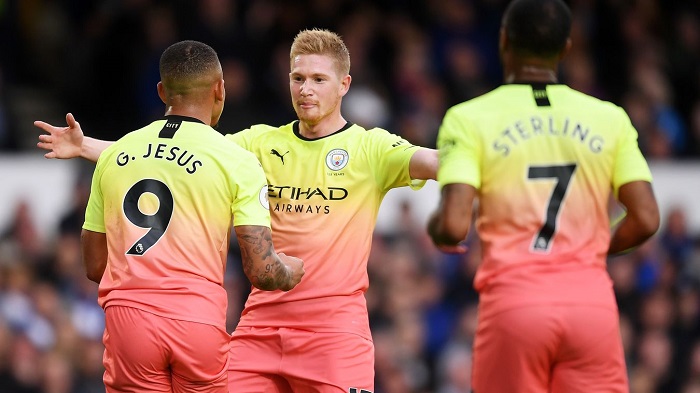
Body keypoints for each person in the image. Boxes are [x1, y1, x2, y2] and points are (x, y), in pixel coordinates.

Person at [36, 29, 437, 392]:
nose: (306, 90)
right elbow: (180, 153)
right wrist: (86, 146)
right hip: (259, 328)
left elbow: (438, 162)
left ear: (344, 84)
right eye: (298, 79)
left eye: (319, 79)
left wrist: (485, 156)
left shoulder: (373, 149)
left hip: (333, 332)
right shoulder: (258, 143)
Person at [39, 40, 305, 393]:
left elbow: (94, 266)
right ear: (220, 89)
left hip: (128, 321)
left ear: (163, 91)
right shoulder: (237, 161)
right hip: (197, 321)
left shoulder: (114, 155)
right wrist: (288, 272)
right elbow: (261, 270)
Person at [426, 0, 660, 392]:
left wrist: (438, 230)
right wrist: (592, 248)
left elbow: (453, 224)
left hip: (516, 305)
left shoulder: (469, 118)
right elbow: (647, 218)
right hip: (591, 307)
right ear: (566, 48)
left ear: (503, 42)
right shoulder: (609, 117)